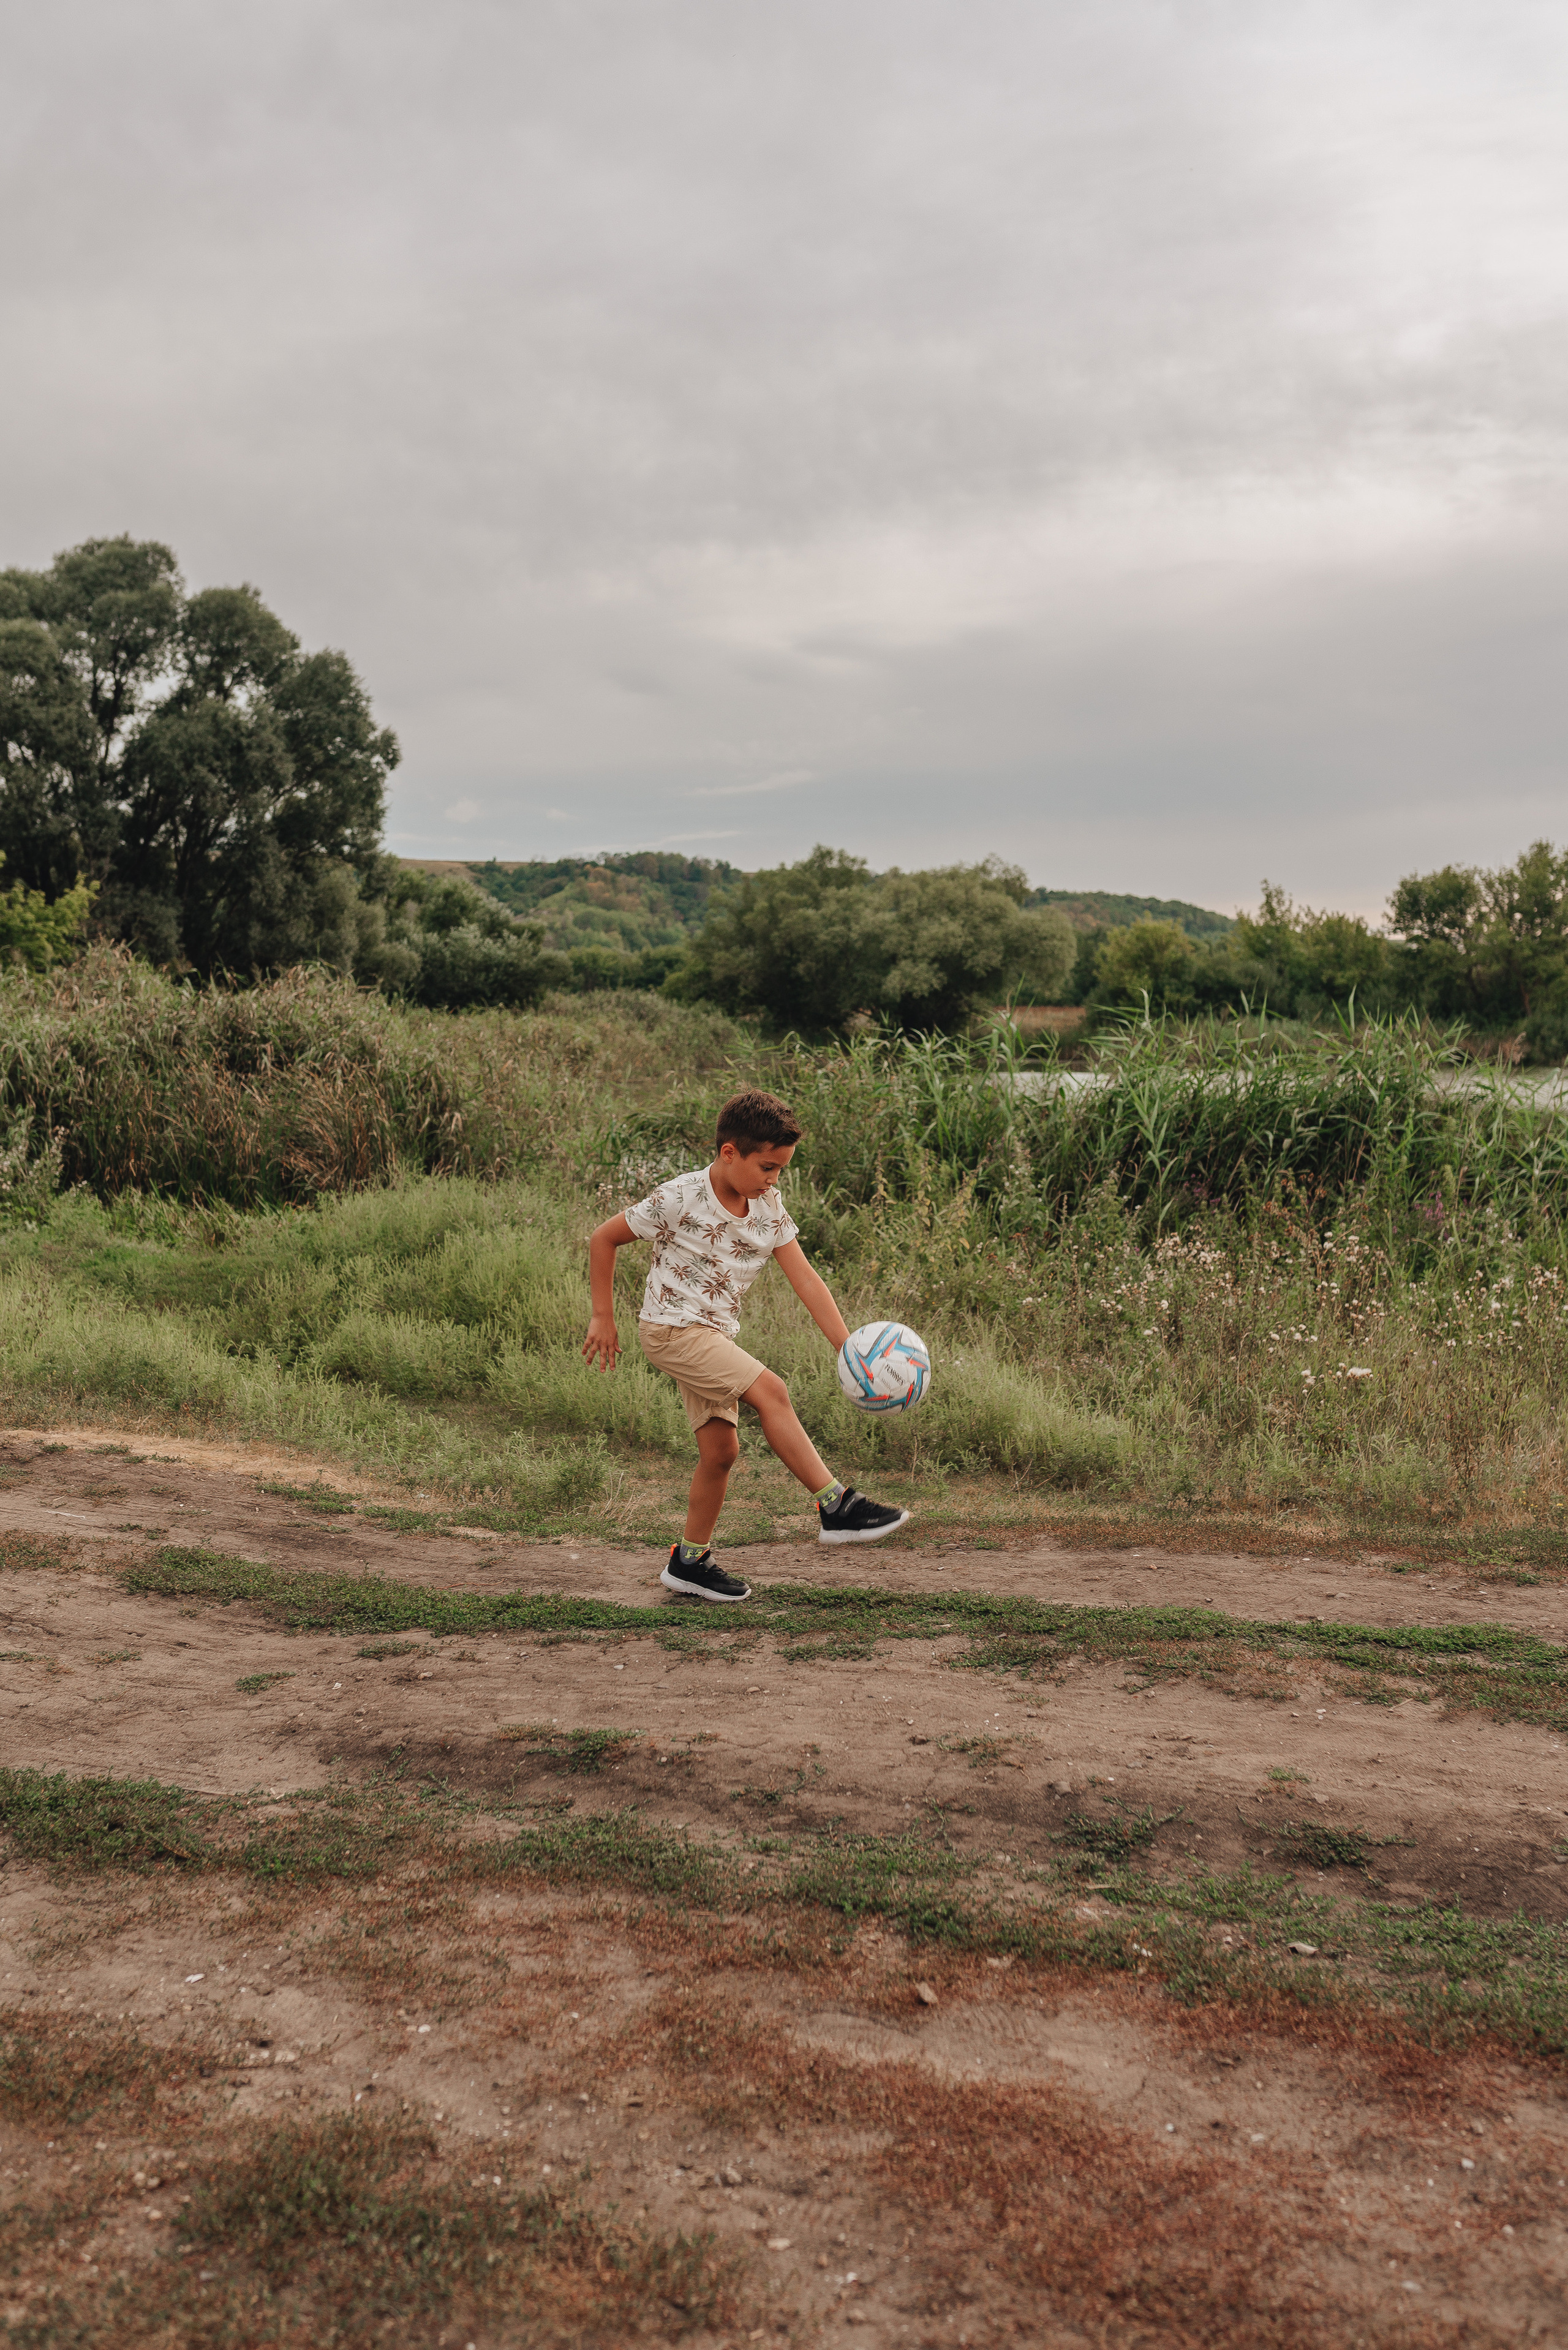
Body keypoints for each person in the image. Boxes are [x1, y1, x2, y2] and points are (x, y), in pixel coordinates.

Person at [582, 1088, 910, 1602]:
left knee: (720, 1452)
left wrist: (849, 1348)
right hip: (670, 1330)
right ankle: (836, 1505)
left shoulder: (768, 1205)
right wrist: (603, 1316)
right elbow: (604, 1237)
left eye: (781, 1170)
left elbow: (805, 1278)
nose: (774, 1180)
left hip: (711, 1336)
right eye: (767, 1167)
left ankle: (689, 1562)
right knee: (772, 1390)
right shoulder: (680, 1196)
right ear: (729, 1153)